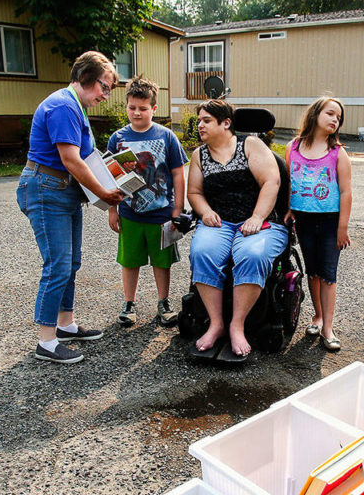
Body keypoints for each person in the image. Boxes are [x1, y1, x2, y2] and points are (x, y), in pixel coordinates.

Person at [16, 51, 123, 364]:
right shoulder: (64, 105)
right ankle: (46, 342)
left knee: (71, 262)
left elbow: (87, 157)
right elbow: (71, 159)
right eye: (105, 87)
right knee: (58, 264)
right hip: (48, 189)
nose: (106, 94)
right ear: (87, 78)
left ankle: (65, 325)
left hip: (62, 191)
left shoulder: (74, 105)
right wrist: (103, 191)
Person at [185, 99, 288, 359]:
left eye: (206, 120)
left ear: (226, 123)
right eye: (199, 121)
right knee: (202, 251)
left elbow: (271, 181)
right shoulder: (199, 155)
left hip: (260, 222)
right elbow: (195, 192)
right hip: (219, 222)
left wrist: (256, 216)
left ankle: (237, 325)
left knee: (252, 254)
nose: (200, 125)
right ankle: (216, 323)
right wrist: (206, 212)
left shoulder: (250, 145)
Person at [106, 76, 188, 328]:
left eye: (143, 108)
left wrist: (177, 210)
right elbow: (110, 175)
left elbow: (177, 173)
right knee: (130, 260)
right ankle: (129, 303)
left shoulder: (166, 137)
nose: (137, 112)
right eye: (132, 107)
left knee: (162, 262)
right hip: (130, 213)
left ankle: (163, 302)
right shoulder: (117, 138)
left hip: (162, 213)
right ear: (126, 107)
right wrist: (112, 210)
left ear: (154, 109)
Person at [284, 97, 352, 352]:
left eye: (339, 118)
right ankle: (317, 316)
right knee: (312, 272)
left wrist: (342, 227)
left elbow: (346, 191)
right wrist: (290, 208)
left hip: (330, 220)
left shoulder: (337, 152)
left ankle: (328, 328)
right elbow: (289, 179)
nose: (335, 120)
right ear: (315, 114)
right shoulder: (294, 146)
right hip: (304, 218)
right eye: (331, 113)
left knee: (328, 273)